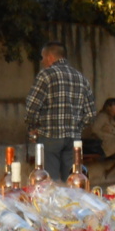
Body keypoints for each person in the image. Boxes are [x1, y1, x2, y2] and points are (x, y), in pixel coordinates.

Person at [25, 41, 97, 181]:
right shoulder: (81, 78)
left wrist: (33, 128)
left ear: (50, 57)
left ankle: (52, 204)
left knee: (49, 183)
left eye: (43, 57)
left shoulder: (45, 75)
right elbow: (90, 114)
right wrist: (76, 127)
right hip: (73, 139)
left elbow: (31, 106)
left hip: (49, 135)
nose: (42, 61)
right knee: (71, 181)